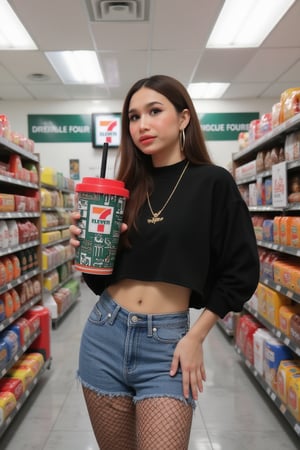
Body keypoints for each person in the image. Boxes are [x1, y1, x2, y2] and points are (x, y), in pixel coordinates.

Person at [70, 74, 259, 450]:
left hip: (169, 344)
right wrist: (88, 248)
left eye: (154, 111)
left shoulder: (213, 183)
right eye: (134, 116)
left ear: (184, 118)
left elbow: (241, 272)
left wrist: (196, 336)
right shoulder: (126, 186)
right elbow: (99, 283)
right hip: (104, 333)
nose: (142, 125)